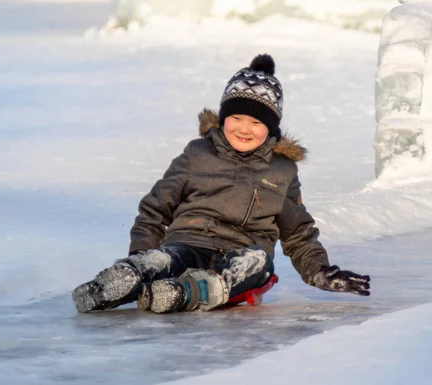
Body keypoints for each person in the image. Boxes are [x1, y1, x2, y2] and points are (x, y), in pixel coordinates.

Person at [72, 54, 370, 314]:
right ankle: (125, 278)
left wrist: (320, 272)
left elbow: (298, 233)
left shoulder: (282, 171)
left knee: (258, 262)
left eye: (256, 123)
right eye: (236, 118)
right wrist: (140, 253)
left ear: (271, 128)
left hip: (242, 255)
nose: (244, 129)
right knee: (166, 257)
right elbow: (154, 209)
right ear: (223, 118)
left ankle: (183, 293)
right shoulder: (197, 154)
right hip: (189, 243)